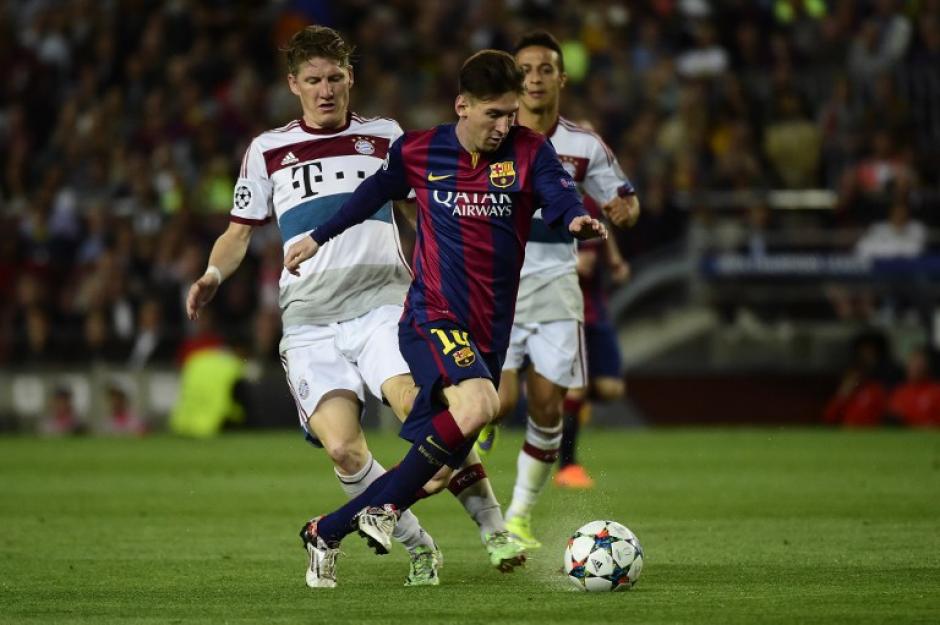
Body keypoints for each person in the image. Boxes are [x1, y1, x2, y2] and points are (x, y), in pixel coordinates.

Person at [282, 49, 607, 587]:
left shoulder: (530, 152)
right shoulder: (419, 150)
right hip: (432, 315)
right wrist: (319, 237)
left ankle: (328, 527)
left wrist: (575, 221)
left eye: (511, 113)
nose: (506, 125)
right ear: (463, 105)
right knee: (483, 402)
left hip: (489, 331)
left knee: (433, 470)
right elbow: (371, 195)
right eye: (494, 114)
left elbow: (560, 197)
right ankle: (393, 514)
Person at [185, 25, 446, 588]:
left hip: (384, 305)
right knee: (345, 451)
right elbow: (238, 233)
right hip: (309, 320)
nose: (325, 89)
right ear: (293, 84)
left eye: (334, 78)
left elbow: (417, 212)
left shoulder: (385, 136)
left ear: (350, 77)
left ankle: (492, 524)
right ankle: (418, 542)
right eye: (313, 80)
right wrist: (211, 273)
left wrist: (439, 265)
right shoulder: (266, 149)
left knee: (418, 410)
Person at [473, 31, 639, 548]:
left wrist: (622, 213)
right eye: (526, 70)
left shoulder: (583, 145)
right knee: (494, 403)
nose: (536, 79)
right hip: (498, 286)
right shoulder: (490, 137)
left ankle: (518, 516)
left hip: (555, 288)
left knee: (547, 408)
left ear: (561, 78)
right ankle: (482, 435)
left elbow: (626, 201)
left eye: (546, 69)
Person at [555, 194, 630, 489]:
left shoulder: (588, 200)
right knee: (578, 386)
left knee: (611, 389)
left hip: (595, 309)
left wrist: (613, 259)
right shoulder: (543, 196)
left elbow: (602, 233)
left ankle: (556, 400)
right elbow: (583, 263)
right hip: (564, 309)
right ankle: (567, 466)